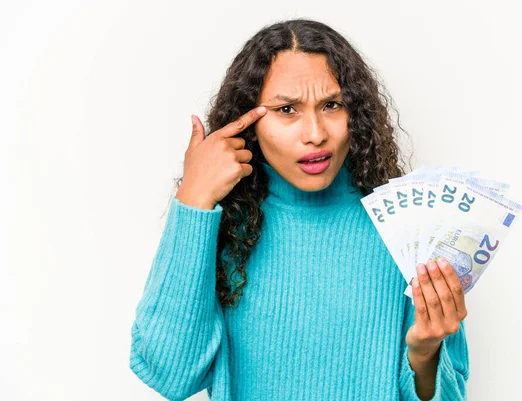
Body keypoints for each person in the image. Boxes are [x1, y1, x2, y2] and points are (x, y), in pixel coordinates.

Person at [129, 18, 469, 401]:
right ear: (249, 121)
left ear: (355, 112)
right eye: (287, 109)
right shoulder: (222, 225)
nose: (315, 133)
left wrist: (424, 352)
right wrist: (193, 200)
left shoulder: (405, 225)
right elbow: (169, 375)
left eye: (332, 105)